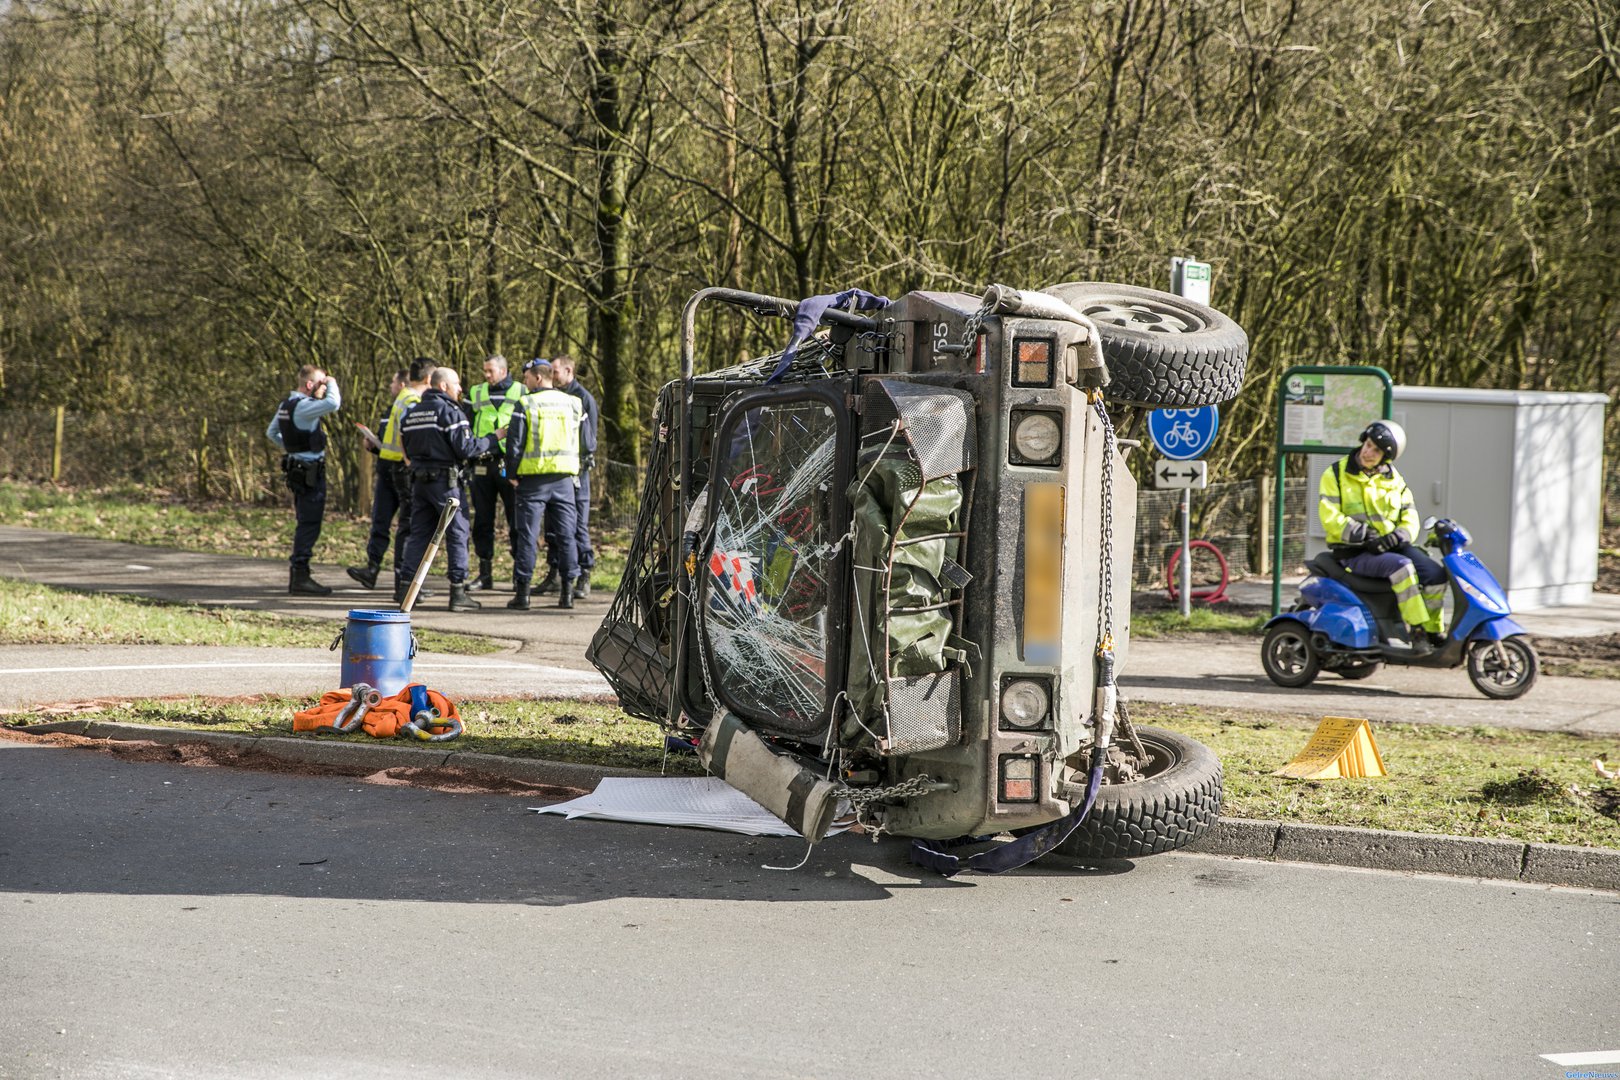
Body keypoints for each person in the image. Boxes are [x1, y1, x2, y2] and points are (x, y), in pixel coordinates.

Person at [1319, 419, 1446, 655]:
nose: (1368, 452)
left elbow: (1410, 515)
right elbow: (1330, 517)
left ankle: (1433, 629)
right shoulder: (1336, 474)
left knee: (1436, 574)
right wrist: (1365, 536)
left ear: (1385, 458)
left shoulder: (1394, 480)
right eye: (1367, 444)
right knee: (1403, 568)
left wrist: (1398, 536)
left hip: (1389, 547)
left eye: (1376, 450)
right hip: (1355, 551)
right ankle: (1416, 631)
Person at [395, 368, 503, 611]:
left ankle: (405, 588)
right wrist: (492, 438)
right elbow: (466, 448)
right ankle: (457, 591)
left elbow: (404, 445)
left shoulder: (411, 413)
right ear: (443, 386)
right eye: (456, 384)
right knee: (457, 533)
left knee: (419, 533)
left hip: (419, 482)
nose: (460, 389)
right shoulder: (450, 412)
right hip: (446, 484)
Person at [503, 358, 584, 610]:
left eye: (527, 377)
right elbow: (581, 439)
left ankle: (523, 594)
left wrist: (511, 474)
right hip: (564, 480)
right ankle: (568, 592)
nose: (524, 382)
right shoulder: (573, 403)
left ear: (538, 378)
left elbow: (514, 444)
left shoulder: (525, 403)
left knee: (527, 535)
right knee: (566, 535)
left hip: (533, 481)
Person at [266, 365, 342, 596]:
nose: (324, 388)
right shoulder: (305, 407)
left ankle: (299, 574)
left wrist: (293, 450)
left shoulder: (286, 406)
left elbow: (272, 433)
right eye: (320, 384)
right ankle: (300, 575)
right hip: (310, 474)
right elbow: (333, 404)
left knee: (304, 521)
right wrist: (332, 382)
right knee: (310, 523)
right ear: (310, 385)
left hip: (298, 471)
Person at [465, 354, 527, 593]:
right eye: (485, 371)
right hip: (482, 463)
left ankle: (518, 574)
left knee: (516, 520)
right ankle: (485, 572)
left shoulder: (522, 391)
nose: (486, 375)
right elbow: (468, 424)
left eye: (490, 371)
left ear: (503, 370)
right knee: (482, 519)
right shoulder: (476, 392)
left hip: (509, 463)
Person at [346, 367, 408, 590]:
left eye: (392, 383)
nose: (390, 387)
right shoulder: (388, 411)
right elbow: (387, 443)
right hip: (386, 473)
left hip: (405, 475)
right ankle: (372, 568)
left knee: (406, 527)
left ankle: (403, 576)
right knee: (379, 522)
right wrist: (373, 446)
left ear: (402, 384)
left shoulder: (410, 407)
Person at [545, 354, 599, 600]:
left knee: (578, 524)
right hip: (556, 472)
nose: (552, 376)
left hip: (577, 472)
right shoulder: (551, 397)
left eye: (555, 371)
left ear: (568, 371)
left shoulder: (583, 398)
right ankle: (555, 573)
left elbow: (589, 440)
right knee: (554, 525)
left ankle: (584, 573)